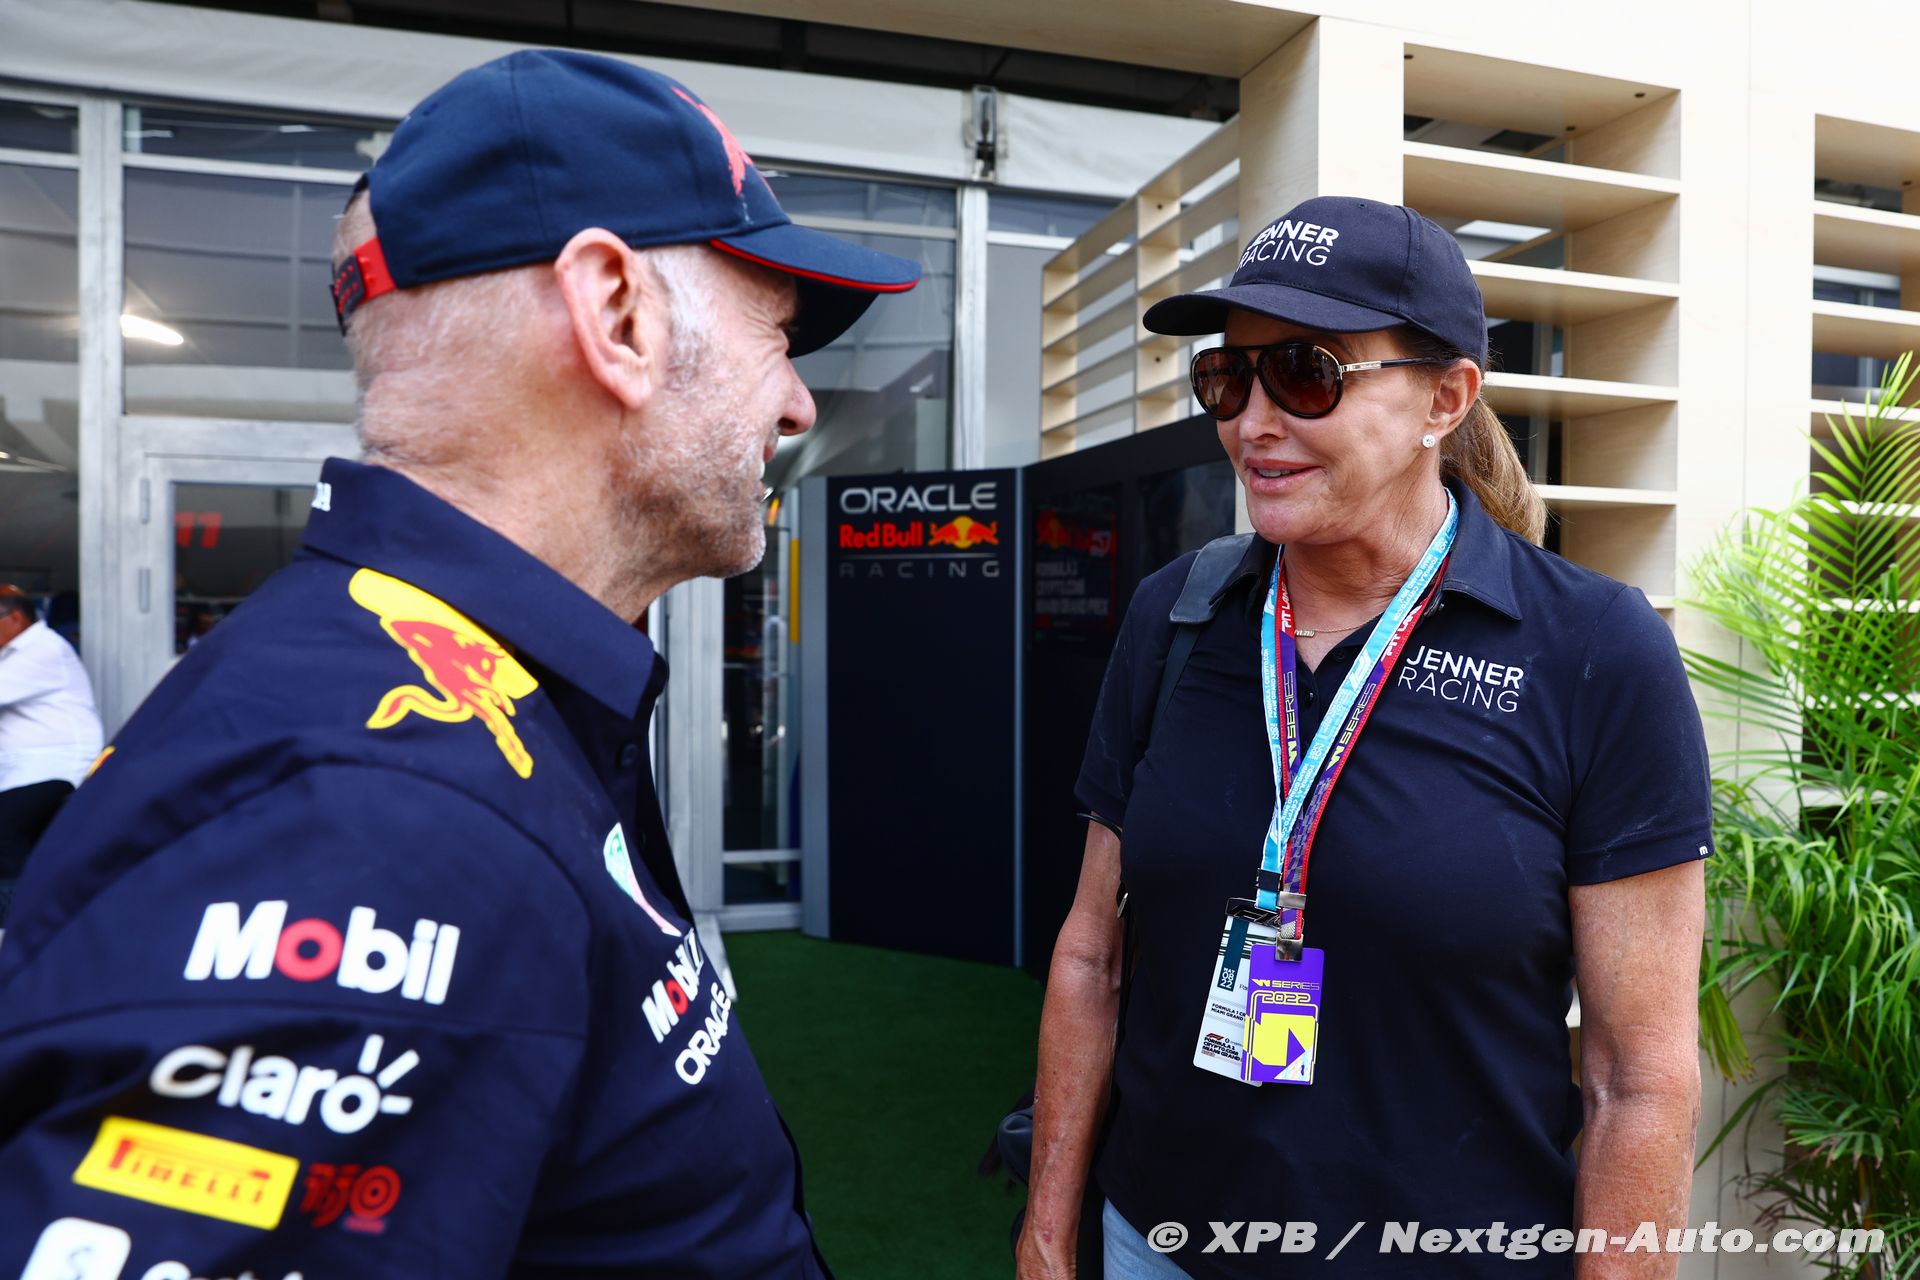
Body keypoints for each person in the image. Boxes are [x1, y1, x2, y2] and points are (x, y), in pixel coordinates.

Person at [0, 50, 918, 1278]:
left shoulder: (479, 703)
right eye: (779, 333)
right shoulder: (380, 809)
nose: (799, 404)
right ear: (618, 315)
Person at [1016, 196, 1707, 1280]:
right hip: (1159, 1244)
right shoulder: (1179, 614)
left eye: (1306, 373)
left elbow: (1640, 1078)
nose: (1253, 421)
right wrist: (1050, 1234)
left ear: (1446, 397)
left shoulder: (1593, 650)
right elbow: (1092, 957)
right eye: (1227, 377)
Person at [0, 584, 102, 877]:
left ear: (15, 618)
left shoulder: (44, 649)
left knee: (4, 830)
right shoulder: (11, 654)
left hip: (54, 768)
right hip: (22, 771)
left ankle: (13, 904)